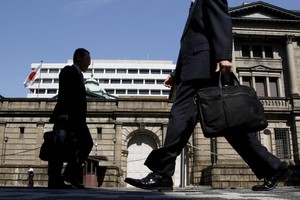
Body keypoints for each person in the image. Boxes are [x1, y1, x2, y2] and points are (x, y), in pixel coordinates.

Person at [125, 0, 291, 191]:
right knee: (231, 124)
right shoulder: (195, 3)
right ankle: (273, 167)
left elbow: (221, 19)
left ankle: (162, 173)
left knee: (180, 116)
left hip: (204, 69)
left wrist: (223, 56)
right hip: (197, 68)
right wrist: (177, 74)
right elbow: (191, 40)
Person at [48, 48, 93, 189]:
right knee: (60, 146)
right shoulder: (69, 71)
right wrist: (64, 113)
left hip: (77, 119)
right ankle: (57, 178)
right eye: (88, 60)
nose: (89, 64)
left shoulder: (79, 75)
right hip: (67, 117)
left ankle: (68, 174)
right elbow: (65, 94)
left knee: (82, 144)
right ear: (79, 57)